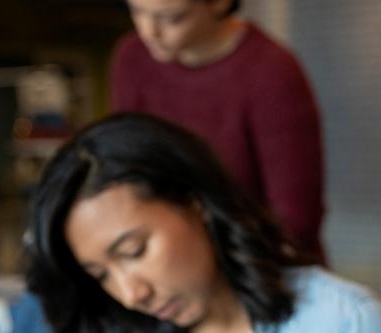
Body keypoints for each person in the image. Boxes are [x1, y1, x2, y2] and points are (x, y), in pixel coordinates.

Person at [24, 113, 381, 333]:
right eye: (100, 275)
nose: (131, 293)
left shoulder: (341, 321)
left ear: (195, 202)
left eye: (133, 251)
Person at [110, 0, 326, 263]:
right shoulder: (132, 57)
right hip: (166, 266)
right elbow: (123, 171)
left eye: (173, 19)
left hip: (260, 266)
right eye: (137, 11)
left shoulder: (272, 70)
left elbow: (295, 220)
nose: (148, 31)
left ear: (220, 4)